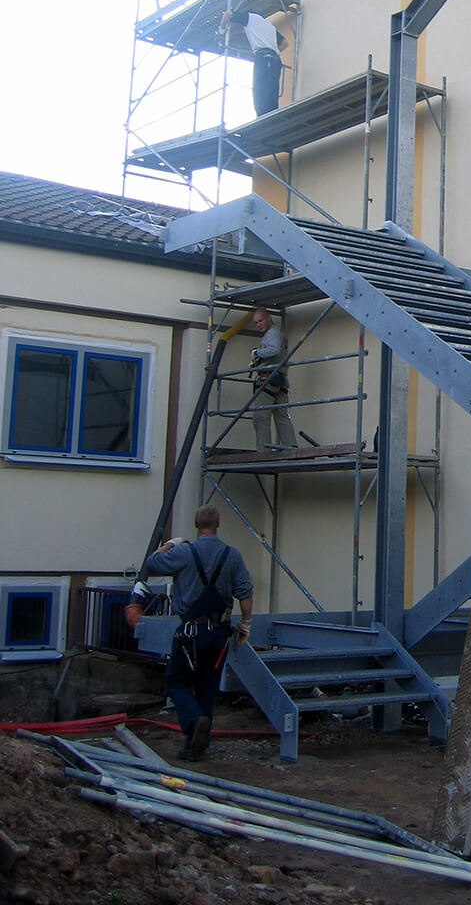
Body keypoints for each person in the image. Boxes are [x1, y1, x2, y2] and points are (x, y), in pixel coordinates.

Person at [140, 505, 253, 761]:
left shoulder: (184, 553)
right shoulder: (232, 555)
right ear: (218, 524)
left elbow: (152, 563)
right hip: (219, 633)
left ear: (195, 524)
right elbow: (245, 593)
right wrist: (246, 623)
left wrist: (170, 544)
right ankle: (196, 747)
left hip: (190, 632)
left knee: (176, 681)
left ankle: (193, 721)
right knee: (207, 688)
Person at [218, 9, 288, 116]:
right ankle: (272, 117)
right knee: (271, 92)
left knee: (260, 90)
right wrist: (274, 51)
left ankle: (261, 117)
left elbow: (227, 14)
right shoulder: (269, 26)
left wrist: (221, 31)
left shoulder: (249, 17)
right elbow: (284, 43)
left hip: (264, 58)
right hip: (275, 60)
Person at [250, 306, 297, 451]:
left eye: (261, 321)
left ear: (269, 318)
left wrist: (257, 353)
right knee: (281, 416)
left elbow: (274, 349)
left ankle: (263, 452)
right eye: (256, 323)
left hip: (268, 380)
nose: (259, 325)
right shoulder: (276, 333)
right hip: (279, 381)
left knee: (261, 417)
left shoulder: (272, 333)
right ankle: (291, 448)